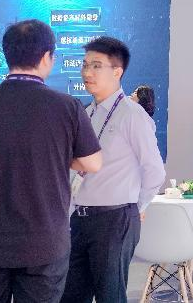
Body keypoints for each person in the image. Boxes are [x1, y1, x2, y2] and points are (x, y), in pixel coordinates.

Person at [0, 19, 102, 303]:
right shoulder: (68, 107)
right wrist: (52, 156)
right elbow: (92, 163)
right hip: (44, 243)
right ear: (47, 57)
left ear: (7, 54)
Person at [61, 37, 167, 303]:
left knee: (110, 295)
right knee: (70, 294)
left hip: (114, 219)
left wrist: (135, 207)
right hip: (80, 218)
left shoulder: (132, 115)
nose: (87, 72)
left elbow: (154, 170)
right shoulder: (86, 113)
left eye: (96, 66)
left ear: (117, 72)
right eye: (85, 65)